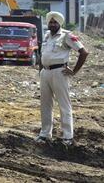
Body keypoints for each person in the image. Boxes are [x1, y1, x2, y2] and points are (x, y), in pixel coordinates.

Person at [35, 11, 88, 146]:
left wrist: (74, 71)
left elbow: (83, 52)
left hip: (60, 72)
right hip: (45, 72)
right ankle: (45, 134)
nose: (52, 24)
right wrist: (41, 70)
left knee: (64, 104)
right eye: (50, 22)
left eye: (55, 22)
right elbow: (43, 54)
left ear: (60, 23)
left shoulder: (67, 35)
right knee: (45, 104)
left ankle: (68, 136)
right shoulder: (47, 35)